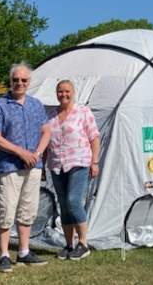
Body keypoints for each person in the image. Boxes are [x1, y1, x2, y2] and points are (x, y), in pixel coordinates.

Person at [0, 62, 51, 273]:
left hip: (33, 165)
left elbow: (46, 132)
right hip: (9, 165)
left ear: (29, 82)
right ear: (10, 81)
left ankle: (23, 252)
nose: (20, 83)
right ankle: (4, 255)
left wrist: (37, 154)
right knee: (6, 209)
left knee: (28, 209)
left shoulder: (36, 104)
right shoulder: (0, 105)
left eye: (24, 80)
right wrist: (20, 152)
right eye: (16, 80)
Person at [45, 80, 100, 260]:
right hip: (56, 164)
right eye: (60, 91)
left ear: (73, 92)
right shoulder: (51, 115)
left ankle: (83, 243)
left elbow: (94, 138)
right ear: (56, 93)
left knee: (73, 200)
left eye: (67, 91)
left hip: (79, 161)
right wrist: (43, 165)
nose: (64, 95)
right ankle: (69, 245)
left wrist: (95, 161)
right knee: (63, 205)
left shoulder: (83, 112)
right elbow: (46, 142)